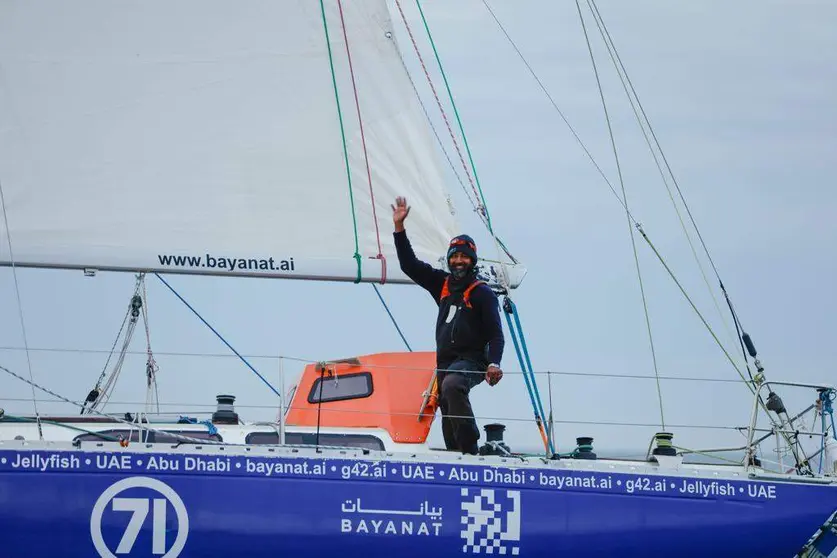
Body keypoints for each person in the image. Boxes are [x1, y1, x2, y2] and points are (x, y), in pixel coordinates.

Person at [391, 196, 504, 455]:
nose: (459, 261)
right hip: (446, 362)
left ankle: (470, 452)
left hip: (473, 361)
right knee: (447, 409)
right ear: (449, 259)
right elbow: (410, 265)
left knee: (453, 385)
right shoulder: (442, 284)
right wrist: (399, 228)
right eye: (455, 256)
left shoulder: (482, 293)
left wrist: (494, 363)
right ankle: (457, 457)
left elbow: (496, 335)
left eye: (465, 257)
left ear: (472, 261)